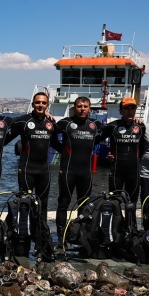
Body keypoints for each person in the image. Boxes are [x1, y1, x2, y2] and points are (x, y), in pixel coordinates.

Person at [54, 96, 102, 245]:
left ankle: (80, 233)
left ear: (89, 109)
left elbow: (110, 133)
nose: (82, 109)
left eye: (85, 106)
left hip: (85, 172)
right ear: (74, 108)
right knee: (63, 203)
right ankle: (61, 235)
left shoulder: (95, 124)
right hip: (68, 170)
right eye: (79, 106)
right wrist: (62, 150)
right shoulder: (65, 123)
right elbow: (50, 135)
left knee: (84, 204)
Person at [4, 92, 58, 217]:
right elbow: (4, 139)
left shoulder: (51, 124)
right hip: (27, 171)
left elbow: (57, 145)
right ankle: (24, 234)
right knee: (24, 204)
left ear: (47, 105)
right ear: (33, 104)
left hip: (44, 171)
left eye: (43, 103)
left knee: (43, 205)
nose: (40, 105)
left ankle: (41, 233)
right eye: (37, 102)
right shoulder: (23, 121)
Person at [94, 97, 145, 210]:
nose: (130, 111)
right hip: (117, 171)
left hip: (134, 171)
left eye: (132, 108)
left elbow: (143, 149)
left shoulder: (141, 127)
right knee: (114, 203)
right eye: (126, 108)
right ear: (121, 110)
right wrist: (108, 154)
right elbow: (94, 140)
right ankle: (116, 227)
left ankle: (131, 227)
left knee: (132, 204)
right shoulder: (113, 126)